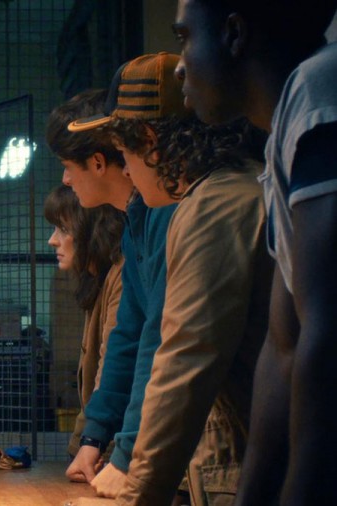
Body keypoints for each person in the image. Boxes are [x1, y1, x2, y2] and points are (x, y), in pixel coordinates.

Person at [87, 54, 272, 504]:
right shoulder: (240, 185)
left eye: (125, 155)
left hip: (249, 454)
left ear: (151, 142)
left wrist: (137, 492)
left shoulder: (213, 205)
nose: (127, 172)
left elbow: (185, 359)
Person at [173, 1, 337, 504]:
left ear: (234, 34)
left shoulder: (319, 88)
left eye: (184, 38)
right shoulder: (282, 133)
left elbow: (327, 333)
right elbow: (283, 343)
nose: (179, 65)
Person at [47, 83, 176, 497]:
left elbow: (158, 343)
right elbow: (129, 337)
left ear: (100, 161)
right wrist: (93, 438)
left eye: (68, 166)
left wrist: (125, 455)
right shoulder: (138, 219)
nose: (65, 179)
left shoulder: (166, 214)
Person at [43, 185, 124, 459]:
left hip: (113, 447)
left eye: (63, 229)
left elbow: (111, 371)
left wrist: (89, 444)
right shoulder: (96, 280)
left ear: (91, 231)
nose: (52, 240)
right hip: (102, 444)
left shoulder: (119, 277)